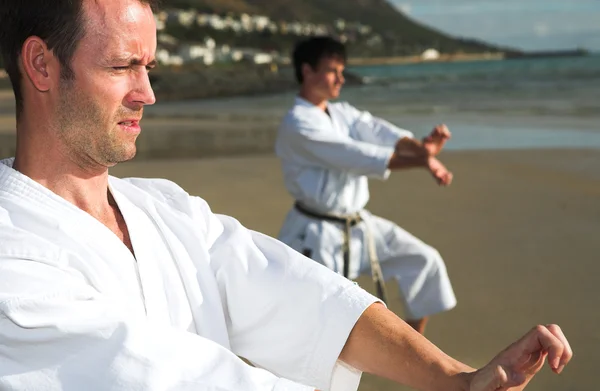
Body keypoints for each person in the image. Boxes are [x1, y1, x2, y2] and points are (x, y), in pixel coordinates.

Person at [0, 1, 572, 390]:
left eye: (149, 66)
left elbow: (298, 292)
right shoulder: (12, 260)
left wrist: (455, 380)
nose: (148, 92)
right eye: (124, 65)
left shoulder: (163, 207)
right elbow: (182, 377)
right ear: (41, 65)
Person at [276, 36, 456, 334]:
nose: (341, 78)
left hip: (359, 224)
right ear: (307, 71)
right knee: (320, 327)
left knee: (424, 261)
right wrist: (421, 161)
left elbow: (378, 131)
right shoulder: (297, 123)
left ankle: (411, 351)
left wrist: (420, 149)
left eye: (342, 70)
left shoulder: (342, 112)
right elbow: (352, 155)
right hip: (315, 234)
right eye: (333, 70)